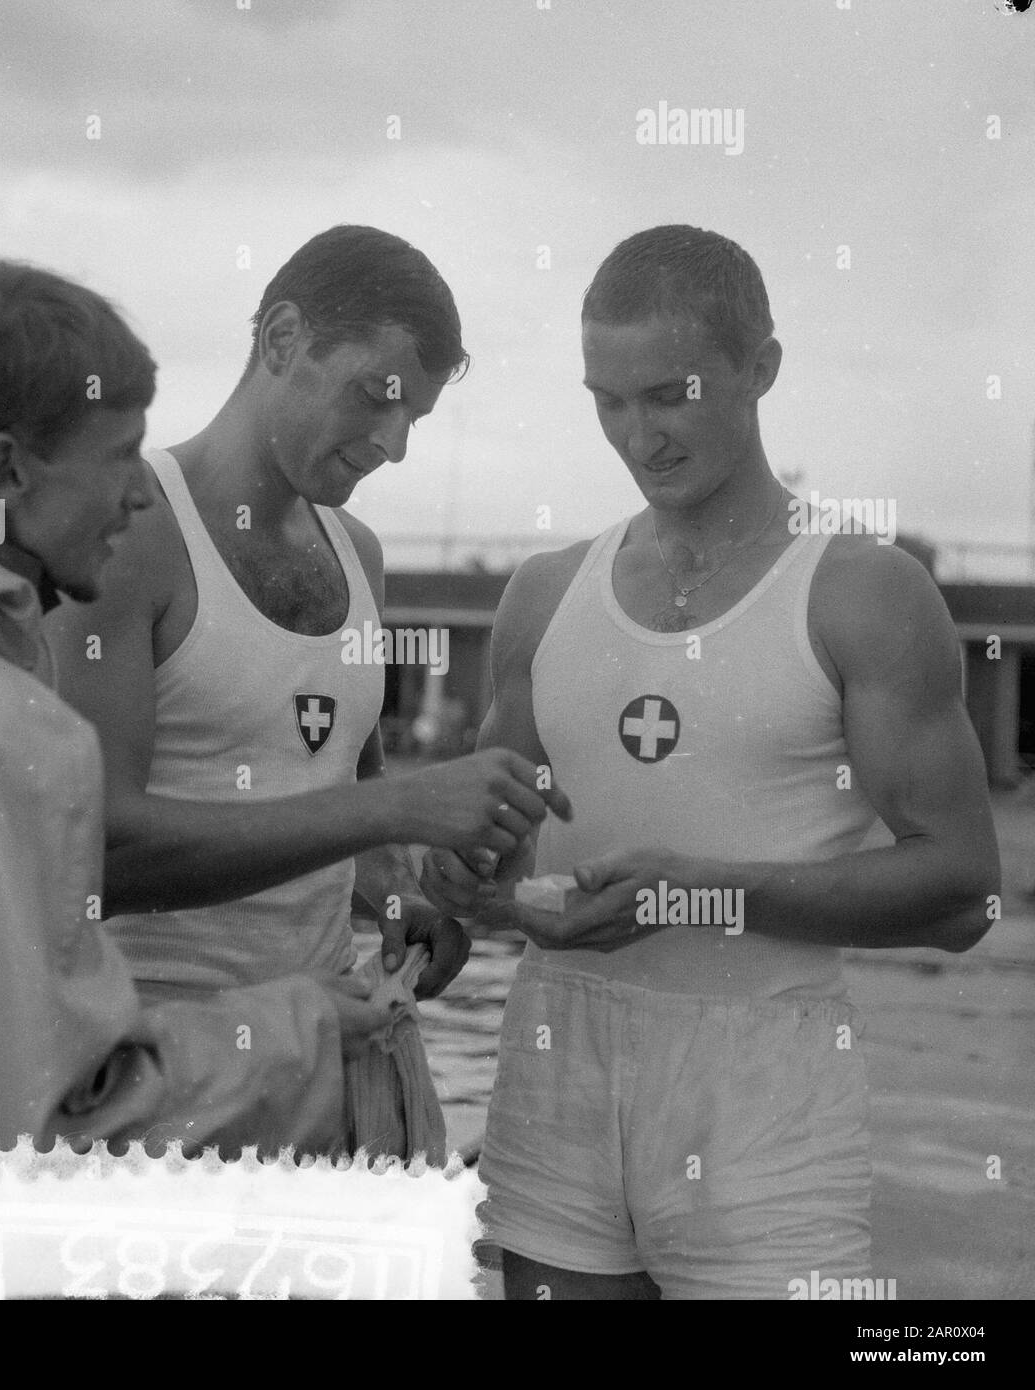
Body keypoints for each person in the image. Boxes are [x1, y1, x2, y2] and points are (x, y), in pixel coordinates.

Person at [0, 257, 479, 1300]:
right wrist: (309, 1024)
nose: (141, 491)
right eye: (120, 454)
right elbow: (53, 1121)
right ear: (8, 471)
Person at [421, 225, 1001, 1299]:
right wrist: (452, 892)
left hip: (761, 1085)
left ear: (760, 369)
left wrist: (703, 896)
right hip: (556, 1053)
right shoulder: (543, 593)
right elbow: (471, 856)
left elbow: (962, 895)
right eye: (607, 401)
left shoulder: (860, 594)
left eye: (670, 394)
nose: (638, 436)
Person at [43, 226, 569, 1157]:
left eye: (417, 418)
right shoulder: (127, 537)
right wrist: (402, 803)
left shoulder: (359, 556)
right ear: (282, 338)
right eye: (379, 396)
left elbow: (339, 815)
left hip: (334, 1053)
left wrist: (396, 896)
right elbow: (95, 860)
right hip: (153, 1079)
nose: (396, 446)